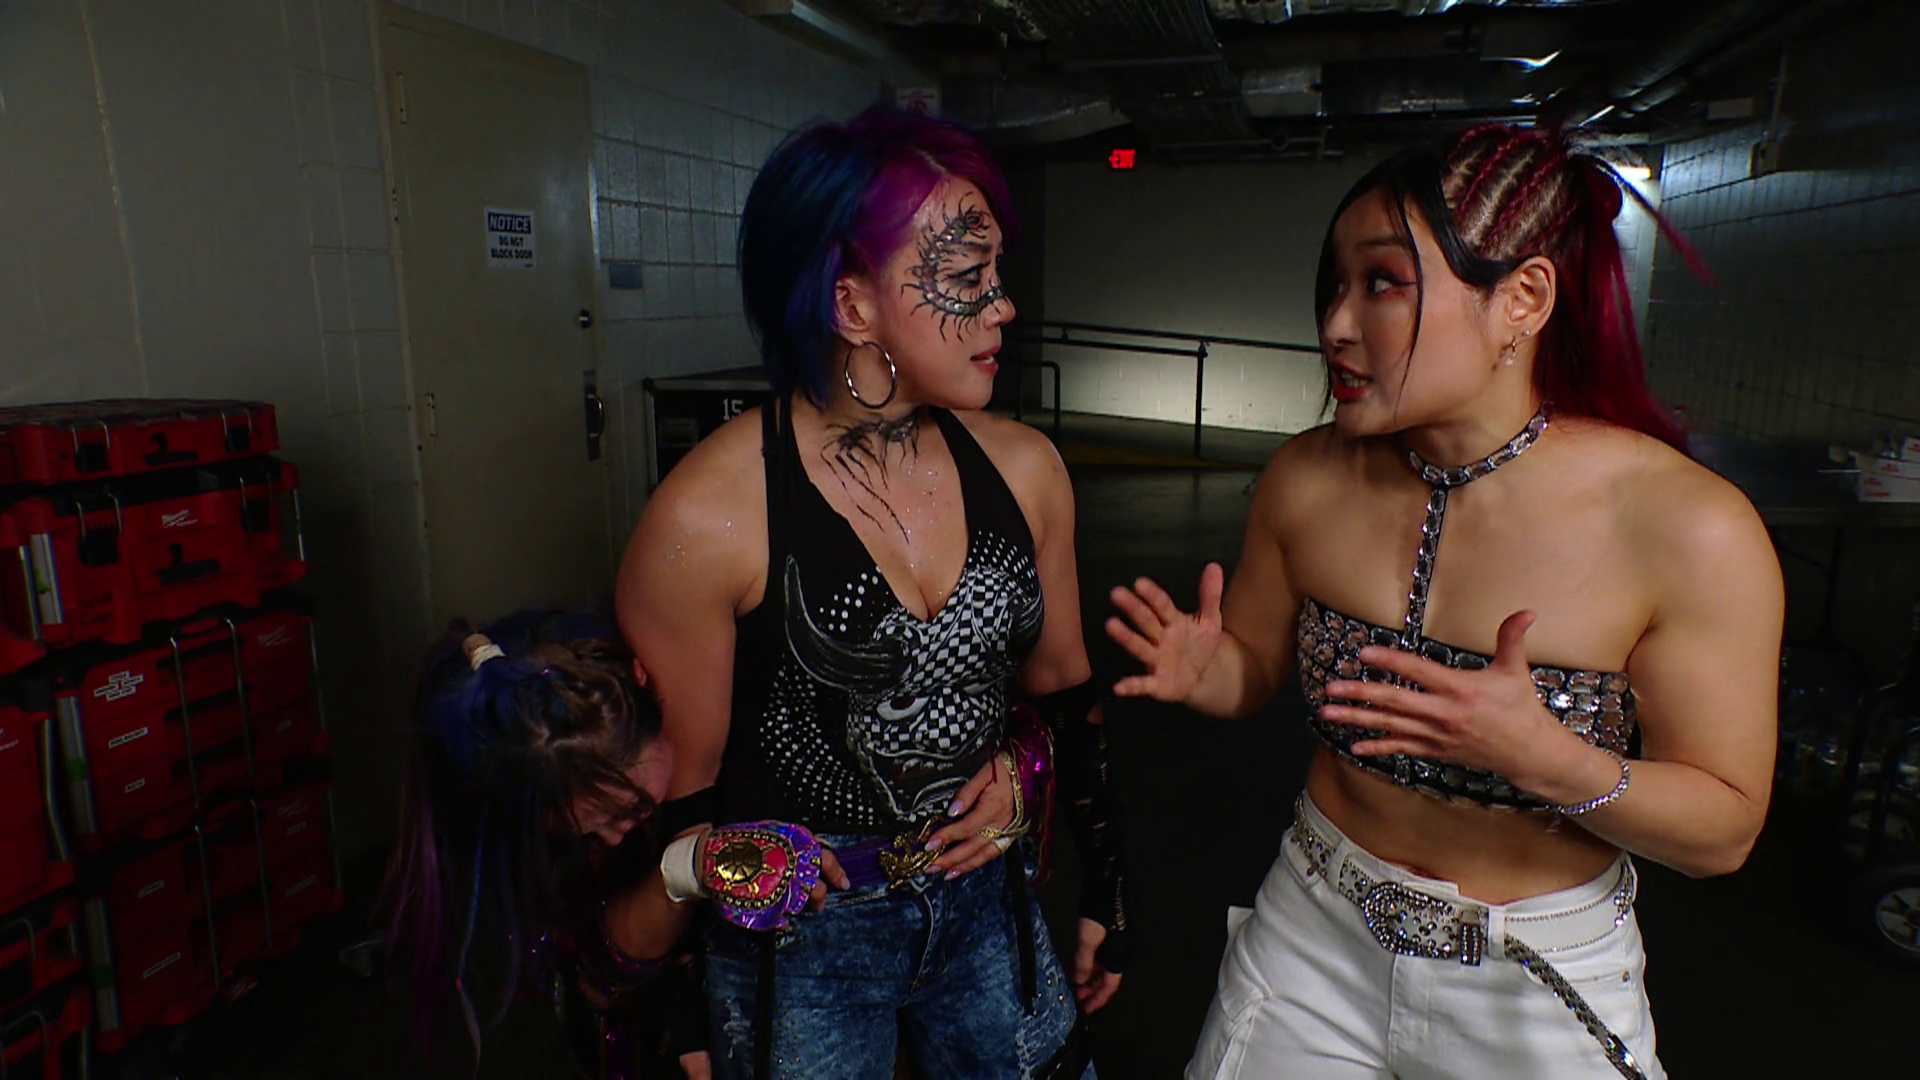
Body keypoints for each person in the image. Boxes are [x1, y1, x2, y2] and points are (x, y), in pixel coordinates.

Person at [1107, 125, 1783, 1080]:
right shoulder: (1307, 477)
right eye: (1336, 286)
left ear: (1524, 300)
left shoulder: (1687, 526)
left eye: (1382, 283)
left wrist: (1549, 761)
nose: (1336, 324)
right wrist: (1210, 670)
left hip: (1534, 974)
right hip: (1312, 933)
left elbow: (1725, 832)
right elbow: (1252, 666)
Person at [616, 106, 1130, 1080]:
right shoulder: (710, 518)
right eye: (966, 280)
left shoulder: (1026, 471)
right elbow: (679, 812)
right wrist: (687, 1018)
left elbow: (1064, 693)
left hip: (985, 904)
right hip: (803, 939)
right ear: (852, 308)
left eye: (998, 275)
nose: (1003, 307)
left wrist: (1099, 869)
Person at [380, 610, 711, 1079]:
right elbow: (594, 981)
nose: (615, 835)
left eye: (629, 810)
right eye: (588, 831)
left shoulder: (703, 702)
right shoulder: (501, 882)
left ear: (642, 680)